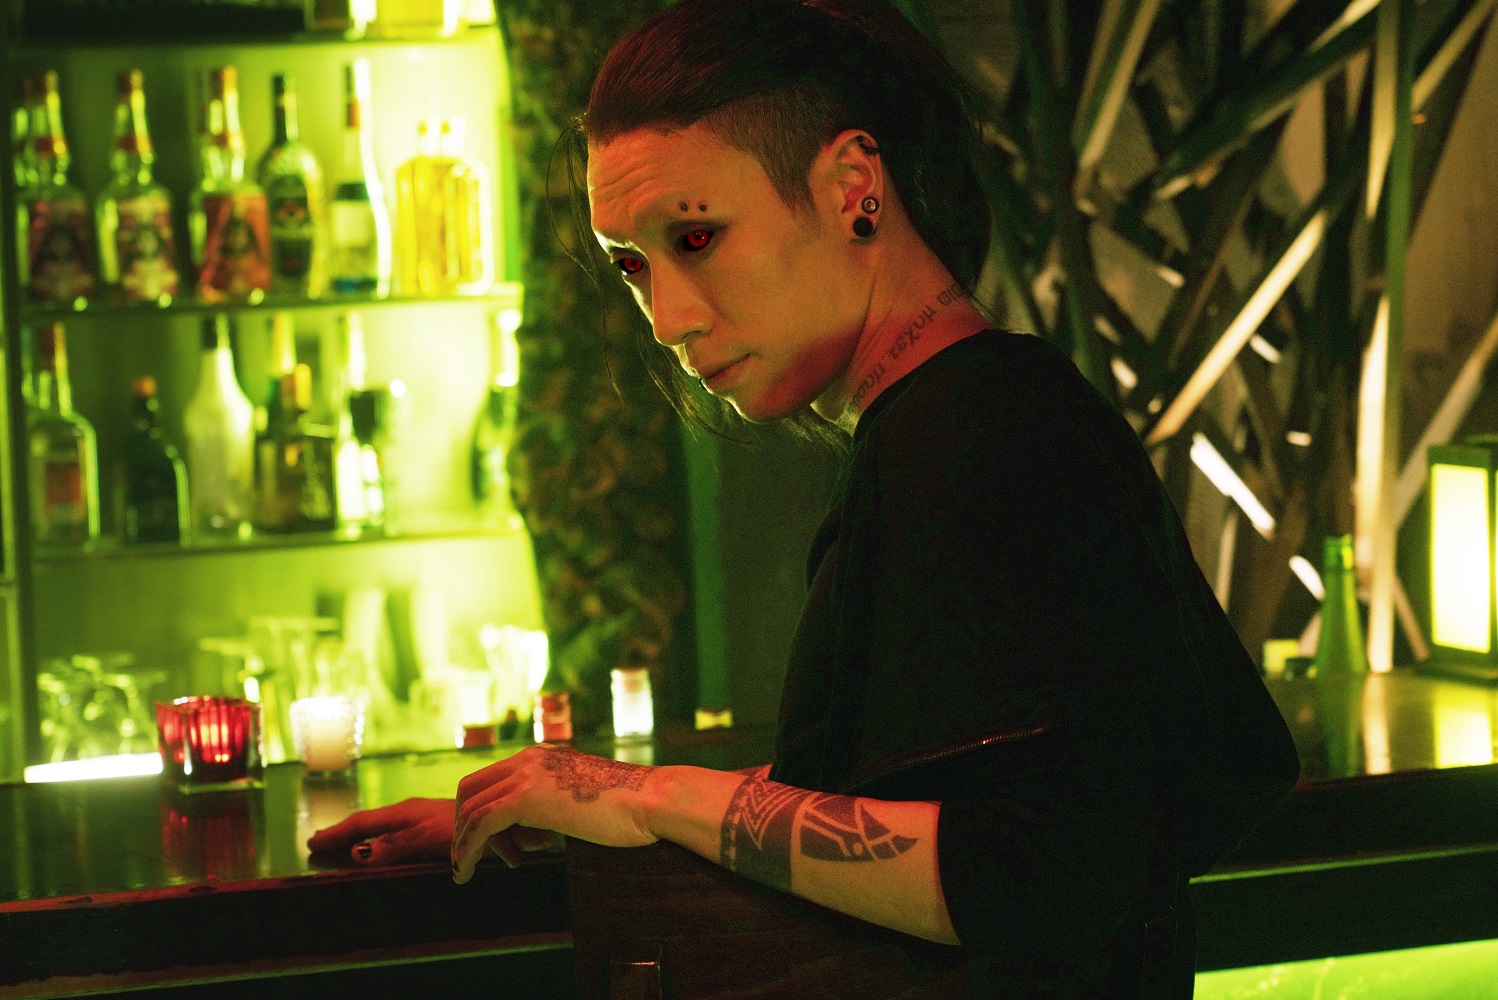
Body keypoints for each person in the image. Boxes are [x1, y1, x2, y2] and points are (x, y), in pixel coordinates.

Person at [310, 1, 1301, 994]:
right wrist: (575, 810)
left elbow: (1046, 872)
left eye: (696, 236)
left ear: (852, 188)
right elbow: (908, 799)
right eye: (633, 267)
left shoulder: (978, 432)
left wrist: (648, 796)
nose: (665, 318)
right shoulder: (951, 419)